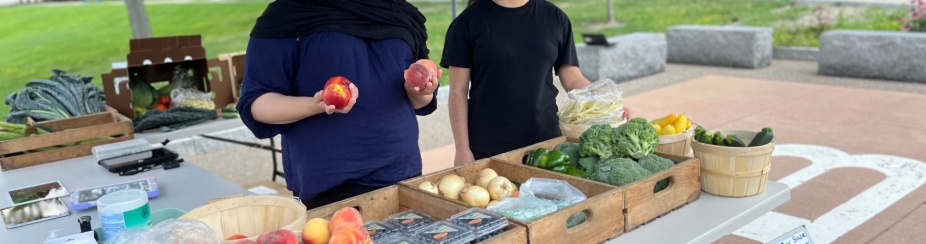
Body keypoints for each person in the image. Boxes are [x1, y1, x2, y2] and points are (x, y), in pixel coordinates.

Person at [237, 0, 440, 209]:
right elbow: (257, 103)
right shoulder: (289, 13)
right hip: (332, 182)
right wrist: (314, 105)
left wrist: (420, 89)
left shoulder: (398, 11)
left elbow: (419, 102)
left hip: (402, 171)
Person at [442, 0, 595, 166]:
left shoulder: (555, 17)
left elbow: (573, 78)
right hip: (488, 149)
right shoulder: (467, 22)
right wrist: (462, 149)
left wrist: (610, 102)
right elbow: (458, 91)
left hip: (547, 146)